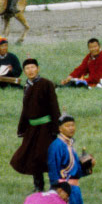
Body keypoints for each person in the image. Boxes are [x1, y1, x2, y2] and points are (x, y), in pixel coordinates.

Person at [10, 58, 61, 192]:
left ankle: (54, 185)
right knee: (33, 156)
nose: (30, 70)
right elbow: (26, 109)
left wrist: (56, 128)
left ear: (38, 68)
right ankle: (38, 185)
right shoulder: (27, 86)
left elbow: (54, 106)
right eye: (27, 68)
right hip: (32, 128)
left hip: (46, 128)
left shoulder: (46, 84)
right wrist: (22, 127)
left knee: (47, 156)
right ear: (24, 71)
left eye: (33, 67)